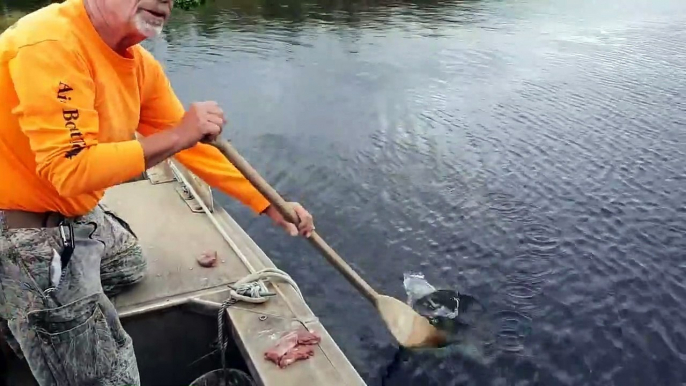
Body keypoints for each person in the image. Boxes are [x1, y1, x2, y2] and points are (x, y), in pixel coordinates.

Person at [0, 0, 315, 384]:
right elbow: (71, 170)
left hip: (73, 213)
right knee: (111, 376)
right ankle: (33, 316)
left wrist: (269, 203)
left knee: (129, 263)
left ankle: (24, 315)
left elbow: (192, 145)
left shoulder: (138, 65)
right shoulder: (50, 43)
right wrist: (180, 133)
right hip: (21, 228)